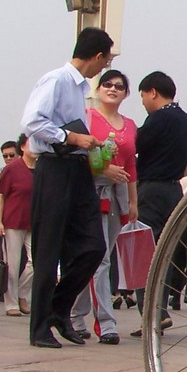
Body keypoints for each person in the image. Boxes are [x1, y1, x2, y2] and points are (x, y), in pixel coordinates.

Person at [21, 27, 110, 348]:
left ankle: (59, 306)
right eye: (106, 60)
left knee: (93, 246)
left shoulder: (80, 89)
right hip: (54, 169)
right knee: (48, 251)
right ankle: (40, 327)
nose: (105, 67)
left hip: (77, 170)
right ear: (97, 56)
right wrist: (72, 138)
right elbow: (32, 121)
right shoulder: (56, 80)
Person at [71, 70, 138, 344]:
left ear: (126, 93)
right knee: (97, 259)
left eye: (119, 86)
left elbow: (132, 166)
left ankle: (75, 316)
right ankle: (105, 323)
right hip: (91, 192)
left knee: (100, 258)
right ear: (98, 89)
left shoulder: (130, 124)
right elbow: (75, 157)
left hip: (119, 195)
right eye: (107, 84)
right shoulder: (86, 118)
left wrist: (134, 202)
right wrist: (103, 169)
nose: (112, 89)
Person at [131, 71, 187, 337]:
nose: (143, 101)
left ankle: (153, 314)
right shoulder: (182, 118)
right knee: (164, 254)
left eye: (143, 95)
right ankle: (160, 310)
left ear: (153, 91)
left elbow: (134, 143)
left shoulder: (158, 118)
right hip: (174, 191)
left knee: (144, 253)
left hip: (151, 190)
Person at [0, 135, 36, 316]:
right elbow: (0, 196)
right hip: (13, 221)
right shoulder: (12, 169)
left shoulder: (42, 168)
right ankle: (11, 304)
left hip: (34, 222)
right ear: (23, 147)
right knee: (12, 263)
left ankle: (21, 294)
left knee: (36, 262)